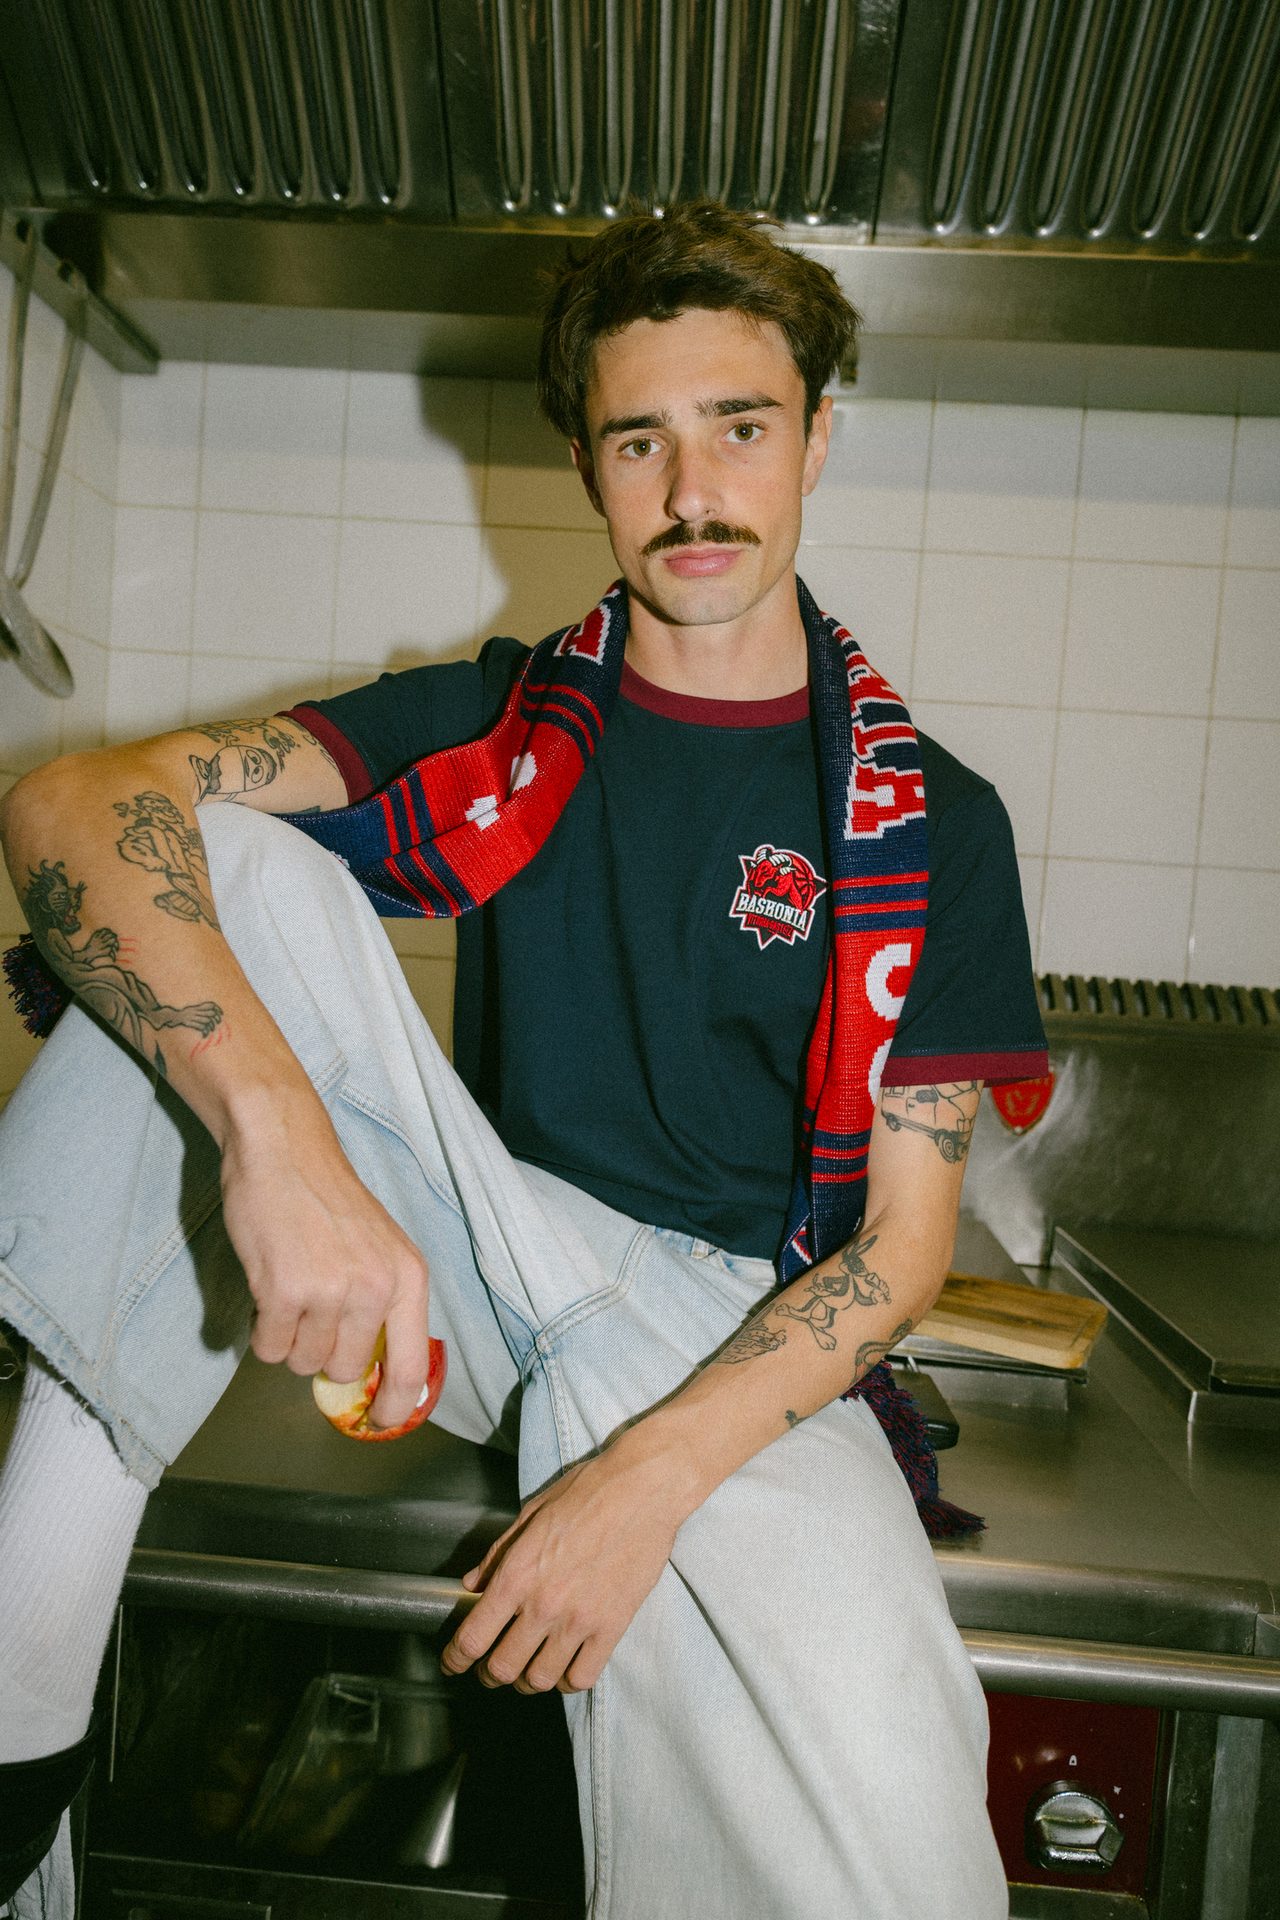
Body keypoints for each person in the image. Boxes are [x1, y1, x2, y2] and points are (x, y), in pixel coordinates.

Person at [0, 202, 1046, 1918]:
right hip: (489, 1256)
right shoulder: (498, 720)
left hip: (745, 1337)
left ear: (817, 442)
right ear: (588, 460)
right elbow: (60, 803)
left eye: (741, 427)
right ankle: (16, 1727)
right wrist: (280, 1143)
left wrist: (639, 1482)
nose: (693, 488)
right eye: (643, 438)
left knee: (905, 1873)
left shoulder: (933, 819)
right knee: (216, 862)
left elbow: (904, 1254)